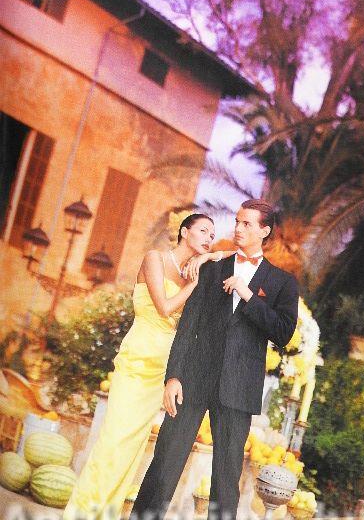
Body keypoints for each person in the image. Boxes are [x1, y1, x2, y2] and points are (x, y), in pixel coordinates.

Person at [131, 199, 299, 520]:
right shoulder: (209, 269)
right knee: (164, 465)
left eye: (247, 224)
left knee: (225, 483)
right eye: (237, 221)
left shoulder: (282, 282)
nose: (238, 228)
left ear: (264, 231)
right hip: (192, 380)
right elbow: (188, 325)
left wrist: (247, 295)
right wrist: (173, 376)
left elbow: (283, 332)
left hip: (239, 390)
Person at [63, 213, 226, 520]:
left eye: (212, 235)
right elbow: (164, 307)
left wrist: (210, 257)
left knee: (132, 449)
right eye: (204, 230)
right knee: (113, 441)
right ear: (184, 231)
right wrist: (195, 282)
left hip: (163, 368)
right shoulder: (155, 259)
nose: (209, 238)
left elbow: (241, 256)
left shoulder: (195, 269)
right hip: (138, 360)